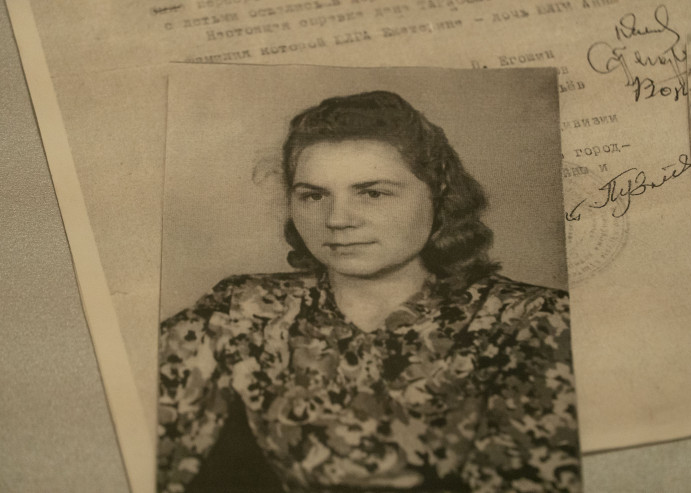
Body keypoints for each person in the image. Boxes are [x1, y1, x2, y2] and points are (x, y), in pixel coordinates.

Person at [158, 91, 581, 492]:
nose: (337, 219)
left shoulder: (535, 323)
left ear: (439, 194)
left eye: (373, 193)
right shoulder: (246, 310)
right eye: (313, 196)